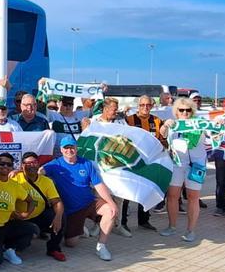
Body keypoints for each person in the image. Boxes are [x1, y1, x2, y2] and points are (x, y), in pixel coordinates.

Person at [42, 136, 119, 261]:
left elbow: (98, 185)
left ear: (76, 148)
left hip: (89, 203)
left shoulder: (86, 163)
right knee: (71, 243)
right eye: (66, 148)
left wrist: (111, 202)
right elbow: (38, 172)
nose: (69, 150)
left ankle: (101, 246)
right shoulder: (55, 164)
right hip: (72, 210)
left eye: (72, 147)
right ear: (61, 149)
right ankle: (81, 228)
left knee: (110, 210)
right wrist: (18, 172)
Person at [158, 97, 206, 242]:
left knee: (193, 197)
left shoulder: (200, 124)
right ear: (176, 111)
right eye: (181, 110)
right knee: (172, 196)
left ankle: (191, 230)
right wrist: (165, 125)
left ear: (192, 111)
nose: (185, 112)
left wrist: (218, 124)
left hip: (196, 165)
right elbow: (162, 133)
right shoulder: (173, 124)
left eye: (188, 110)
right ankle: (172, 226)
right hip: (176, 164)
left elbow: (215, 132)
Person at [84, 98, 133, 238]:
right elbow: (86, 140)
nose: (116, 112)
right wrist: (85, 127)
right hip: (100, 166)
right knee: (101, 197)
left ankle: (117, 225)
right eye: (113, 109)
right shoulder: (93, 122)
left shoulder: (120, 122)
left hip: (117, 166)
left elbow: (129, 139)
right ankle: (98, 225)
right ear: (105, 109)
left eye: (117, 109)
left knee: (119, 196)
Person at [0, 153, 36, 266]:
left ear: (12, 167)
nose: (5, 166)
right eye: (2, 163)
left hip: (6, 225)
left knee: (33, 229)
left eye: (8, 164)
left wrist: (26, 214)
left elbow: (31, 201)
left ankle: (9, 249)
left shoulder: (15, 185)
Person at [123, 95, 165, 231]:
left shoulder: (157, 121)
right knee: (127, 192)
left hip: (150, 162)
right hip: (132, 161)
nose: (145, 107)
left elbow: (163, 140)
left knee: (146, 190)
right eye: (142, 105)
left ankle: (144, 220)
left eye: (148, 105)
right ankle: (122, 222)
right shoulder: (128, 120)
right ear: (138, 106)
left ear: (152, 106)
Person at [13, 152, 65, 261]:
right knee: (25, 240)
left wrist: (58, 218)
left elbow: (57, 202)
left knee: (60, 215)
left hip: (38, 216)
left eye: (34, 162)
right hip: (20, 218)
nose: (31, 165)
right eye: (28, 163)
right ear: (22, 166)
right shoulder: (14, 178)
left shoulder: (47, 181)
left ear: (38, 164)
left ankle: (54, 248)